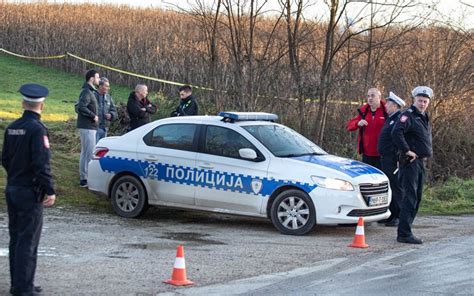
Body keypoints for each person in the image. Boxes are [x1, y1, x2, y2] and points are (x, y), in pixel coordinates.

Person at [2, 84, 56, 296]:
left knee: (16, 238)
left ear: (23, 103)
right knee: (28, 239)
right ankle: (24, 288)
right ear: (41, 105)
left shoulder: (12, 127)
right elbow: (41, 163)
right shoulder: (37, 130)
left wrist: (15, 175)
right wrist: (49, 190)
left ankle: (19, 283)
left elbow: (5, 158)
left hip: (13, 187)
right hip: (29, 191)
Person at [392, 86, 433, 244]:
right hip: (410, 163)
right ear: (414, 100)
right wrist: (407, 150)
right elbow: (396, 132)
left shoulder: (424, 116)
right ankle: (404, 233)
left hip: (420, 162)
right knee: (410, 197)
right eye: (419, 101)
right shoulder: (407, 115)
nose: (422, 104)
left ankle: (406, 229)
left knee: (417, 197)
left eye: (425, 101)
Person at [377, 92, 405, 227]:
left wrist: (397, 156)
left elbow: (398, 139)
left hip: (393, 159)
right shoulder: (391, 118)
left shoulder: (398, 119)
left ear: (395, 106)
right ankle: (390, 215)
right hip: (386, 158)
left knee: (395, 187)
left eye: (388, 104)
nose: (386, 106)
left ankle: (397, 215)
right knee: (389, 186)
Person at [347, 88, 387, 170]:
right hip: (367, 154)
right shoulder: (364, 111)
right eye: (368, 96)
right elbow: (350, 126)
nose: (370, 98)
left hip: (383, 154)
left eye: (372, 96)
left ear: (379, 97)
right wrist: (358, 123)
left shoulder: (386, 111)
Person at [77, 69, 100, 187]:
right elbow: (81, 107)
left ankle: (85, 177)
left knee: (86, 151)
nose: (99, 80)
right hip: (87, 126)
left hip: (90, 126)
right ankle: (84, 179)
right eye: (97, 77)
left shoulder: (91, 91)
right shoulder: (86, 91)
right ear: (92, 78)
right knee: (88, 152)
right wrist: (93, 116)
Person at [95, 77, 118, 142]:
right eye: (107, 86)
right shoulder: (92, 95)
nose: (109, 88)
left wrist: (111, 115)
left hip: (105, 129)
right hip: (94, 128)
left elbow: (114, 111)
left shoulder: (108, 97)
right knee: (93, 149)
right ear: (100, 86)